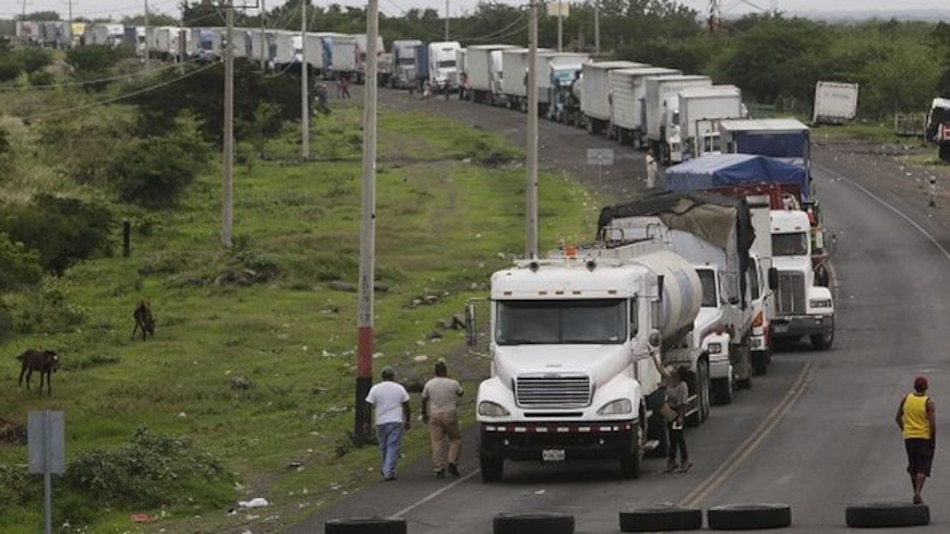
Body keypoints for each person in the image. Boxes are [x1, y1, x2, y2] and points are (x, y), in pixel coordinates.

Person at [365, 365, 411, 481]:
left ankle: (386, 467)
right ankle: (388, 471)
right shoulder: (399, 388)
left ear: (382, 376)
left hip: (380, 421)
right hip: (395, 420)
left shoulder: (375, 389)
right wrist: (408, 419)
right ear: (393, 376)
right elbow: (406, 405)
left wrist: (367, 422)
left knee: (384, 447)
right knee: (393, 446)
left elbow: (368, 406)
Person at [896, 376, 936, 504]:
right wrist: (932, 439)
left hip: (909, 438)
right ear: (926, 388)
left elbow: (897, 418)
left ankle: (915, 493)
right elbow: (932, 424)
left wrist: (905, 430)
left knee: (913, 466)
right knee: (923, 467)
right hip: (923, 438)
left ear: (914, 386)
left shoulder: (906, 399)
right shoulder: (928, 402)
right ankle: (918, 492)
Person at [421, 360, 464, 478]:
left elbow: (424, 398)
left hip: (434, 413)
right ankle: (452, 462)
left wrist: (424, 413)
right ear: (445, 371)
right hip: (449, 412)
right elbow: (461, 393)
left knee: (437, 441)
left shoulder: (429, 384)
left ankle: (439, 468)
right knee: (455, 438)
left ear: (435, 372)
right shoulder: (452, 383)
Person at [652, 354, 692, 473]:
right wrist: (653, 357)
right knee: (672, 438)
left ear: (679, 376)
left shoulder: (682, 386)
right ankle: (672, 462)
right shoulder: (670, 381)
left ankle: (684, 461)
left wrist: (680, 417)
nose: (673, 372)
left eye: (675, 371)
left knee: (679, 438)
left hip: (677, 414)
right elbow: (660, 369)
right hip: (669, 413)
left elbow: (684, 403)